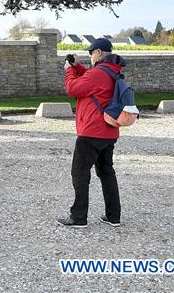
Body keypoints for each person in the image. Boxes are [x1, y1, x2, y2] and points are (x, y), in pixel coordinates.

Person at [57, 38, 125, 228]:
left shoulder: (98, 73)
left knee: (79, 173)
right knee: (106, 172)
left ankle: (78, 217)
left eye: (91, 53)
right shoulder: (112, 72)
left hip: (91, 133)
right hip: (109, 132)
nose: (90, 56)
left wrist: (69, 70)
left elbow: (73, 88)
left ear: (99, 53)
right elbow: (90, 79)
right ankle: (113, 216)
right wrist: (77, 67)